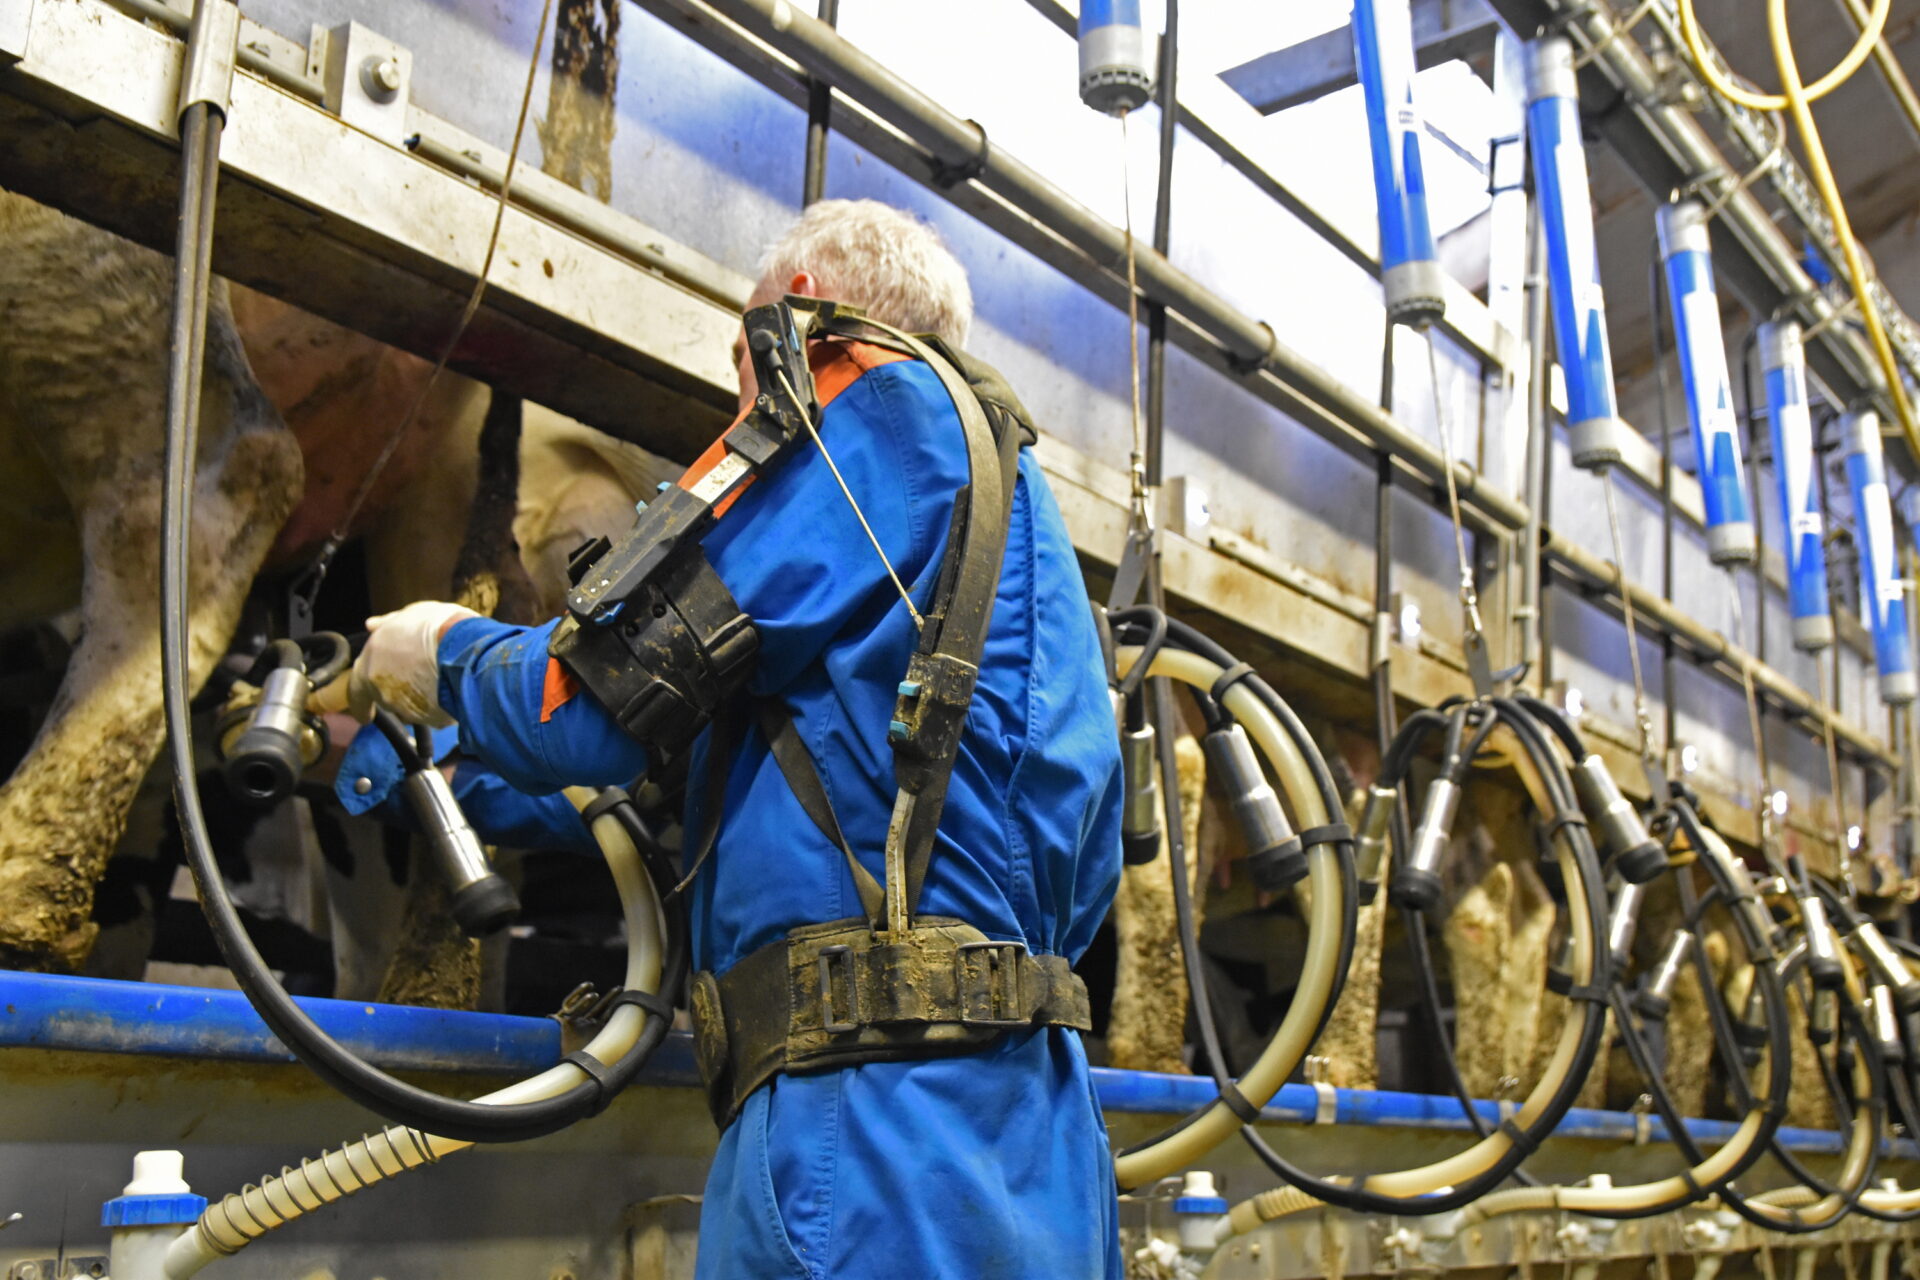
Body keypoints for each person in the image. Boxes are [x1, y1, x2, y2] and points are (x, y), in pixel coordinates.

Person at [337, 199, 1123, 1278]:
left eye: (741, 369)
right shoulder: (1007, 505)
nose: (743, 406)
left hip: (872, 1139)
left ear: (798, 313)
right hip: (1037, 1140)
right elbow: (692, 784)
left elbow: (594, 704)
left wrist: (440, 651)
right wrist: (417, 773)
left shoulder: (872, 409)